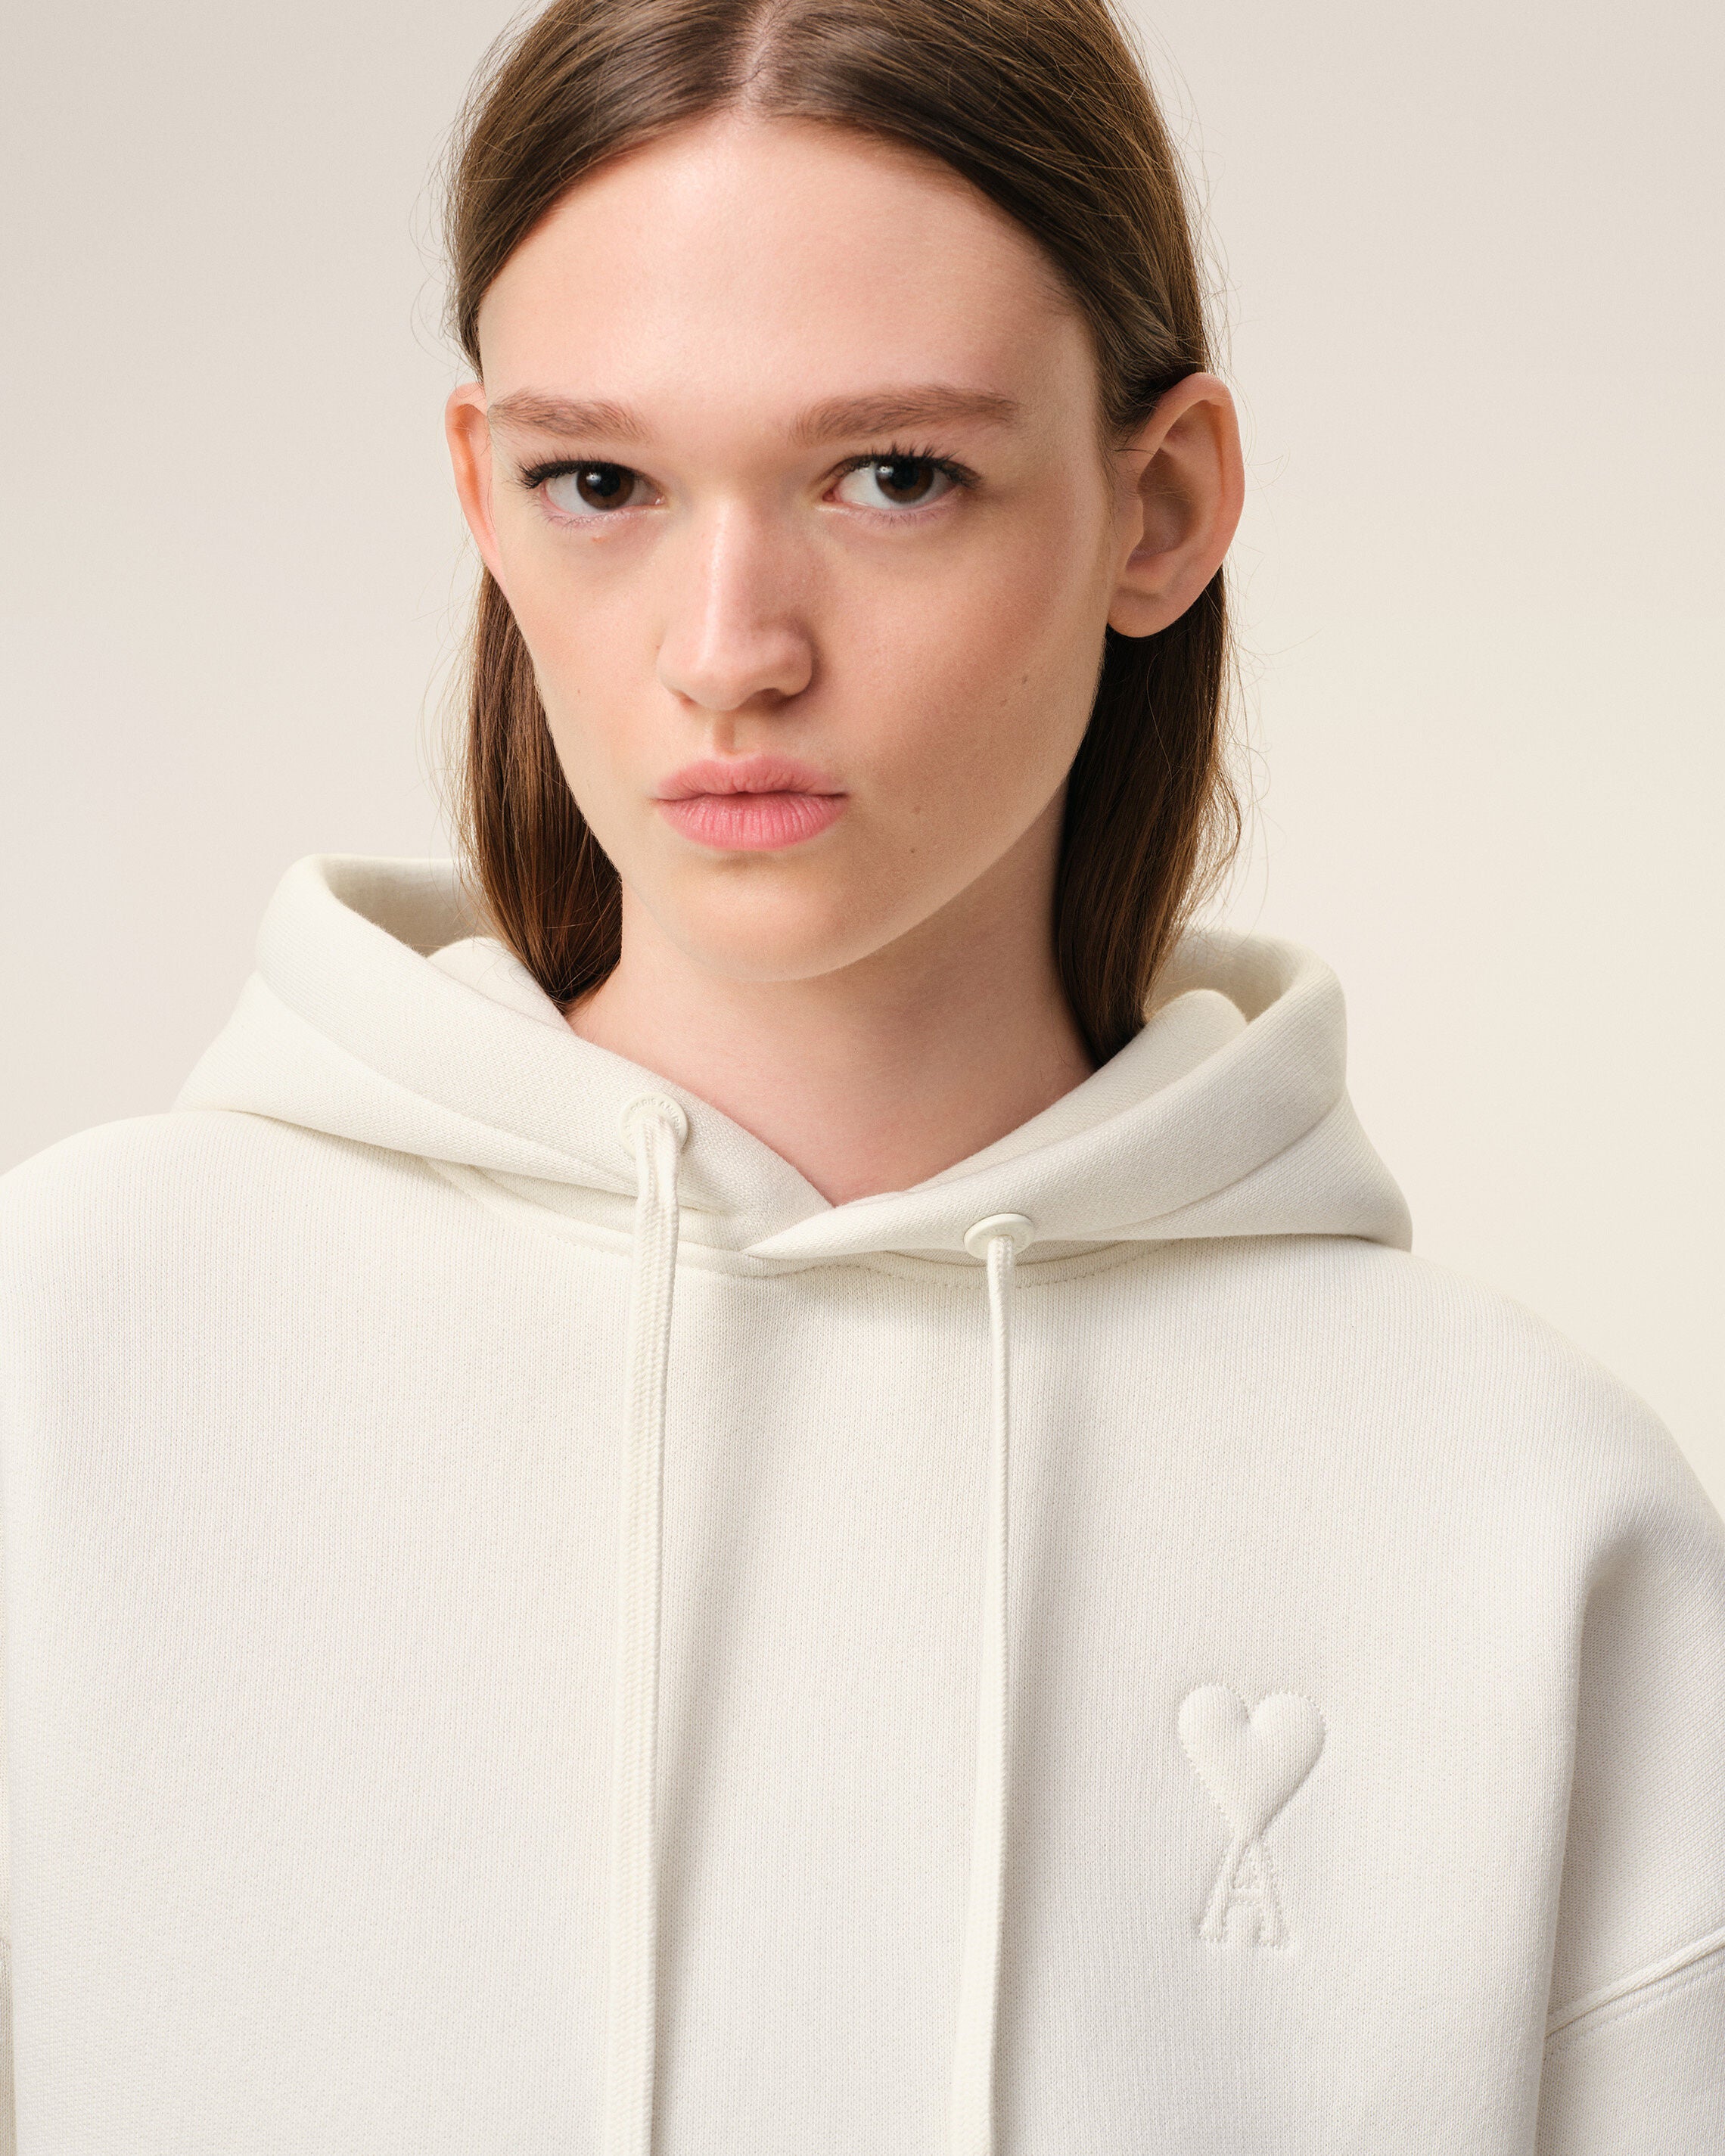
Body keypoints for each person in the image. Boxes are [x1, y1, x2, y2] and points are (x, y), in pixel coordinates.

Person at [1, 0, 1720, 2148]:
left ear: (1161, 506)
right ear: (484, 497)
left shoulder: (1522, 1518)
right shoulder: (71, 1355)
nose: (730, 649)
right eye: (599, 482)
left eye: (894, 474)